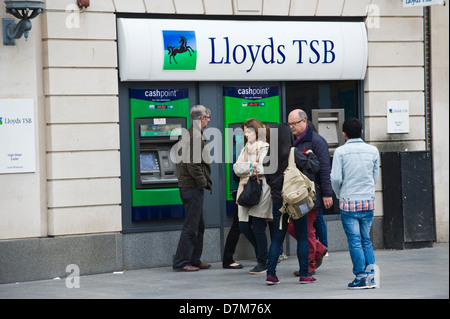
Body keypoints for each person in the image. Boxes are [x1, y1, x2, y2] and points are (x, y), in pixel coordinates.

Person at [265, 123, 320, 285]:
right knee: (302, 237)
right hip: (296, 201)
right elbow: (315, 167)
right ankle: (305, 274)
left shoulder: (268, 156)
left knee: (276, 239)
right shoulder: (294, 153)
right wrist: (311, 155)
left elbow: (268, 180)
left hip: (278, 203)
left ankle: (271, 274)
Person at [330, 117, 379, 289]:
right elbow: (374, 177)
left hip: (349, 202)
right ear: (362, 132)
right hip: (368, 202)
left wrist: (339, 194)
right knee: (366, 240)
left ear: (344, 134)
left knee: (355, 241)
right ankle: (372, 276)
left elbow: (335, 178)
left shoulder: (340, 152)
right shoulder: (373, 151)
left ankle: (360, 277)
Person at [287, 109, 332, 275]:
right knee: (293, 227)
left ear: (304, 121)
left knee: (306, 229)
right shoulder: (291, 140)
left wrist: (327, 194)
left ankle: (309, 265)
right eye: (289, 124)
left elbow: (325, 169)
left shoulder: (317, 141)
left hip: (310, 195)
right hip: (295, 195)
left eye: (294, 123)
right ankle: (319, 249)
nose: (291, 127)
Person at [172, 105, 213, 272]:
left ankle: (194, 259)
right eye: (208, 117)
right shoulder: (195, 136)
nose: (209, 120)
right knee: (191, 226)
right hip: (192, 186)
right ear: (202, 119)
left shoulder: (189, 133)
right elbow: (193, 164)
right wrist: (202, 182)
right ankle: (181, 262)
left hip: (188, 185)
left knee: (198, 225)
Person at [233, 118, 272, 274]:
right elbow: (236, 168)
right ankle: (263, 254)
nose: (245, 134)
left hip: (260, 189)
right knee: (243, 225)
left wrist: (247, 168)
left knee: (258, 226)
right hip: (245, 188)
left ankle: (262, 261)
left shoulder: (265, 147)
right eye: (244, 131)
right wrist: (251, 165)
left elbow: (263, 169)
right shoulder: (244, 148)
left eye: (248, 131)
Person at [222, 131, 244, 269]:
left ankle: (264, 255)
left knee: (247, 225)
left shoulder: (239, 141)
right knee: (239, 225)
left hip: (238, 189)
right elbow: (238, 170)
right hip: (241, 190)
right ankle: (227, 258)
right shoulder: (243, 144)